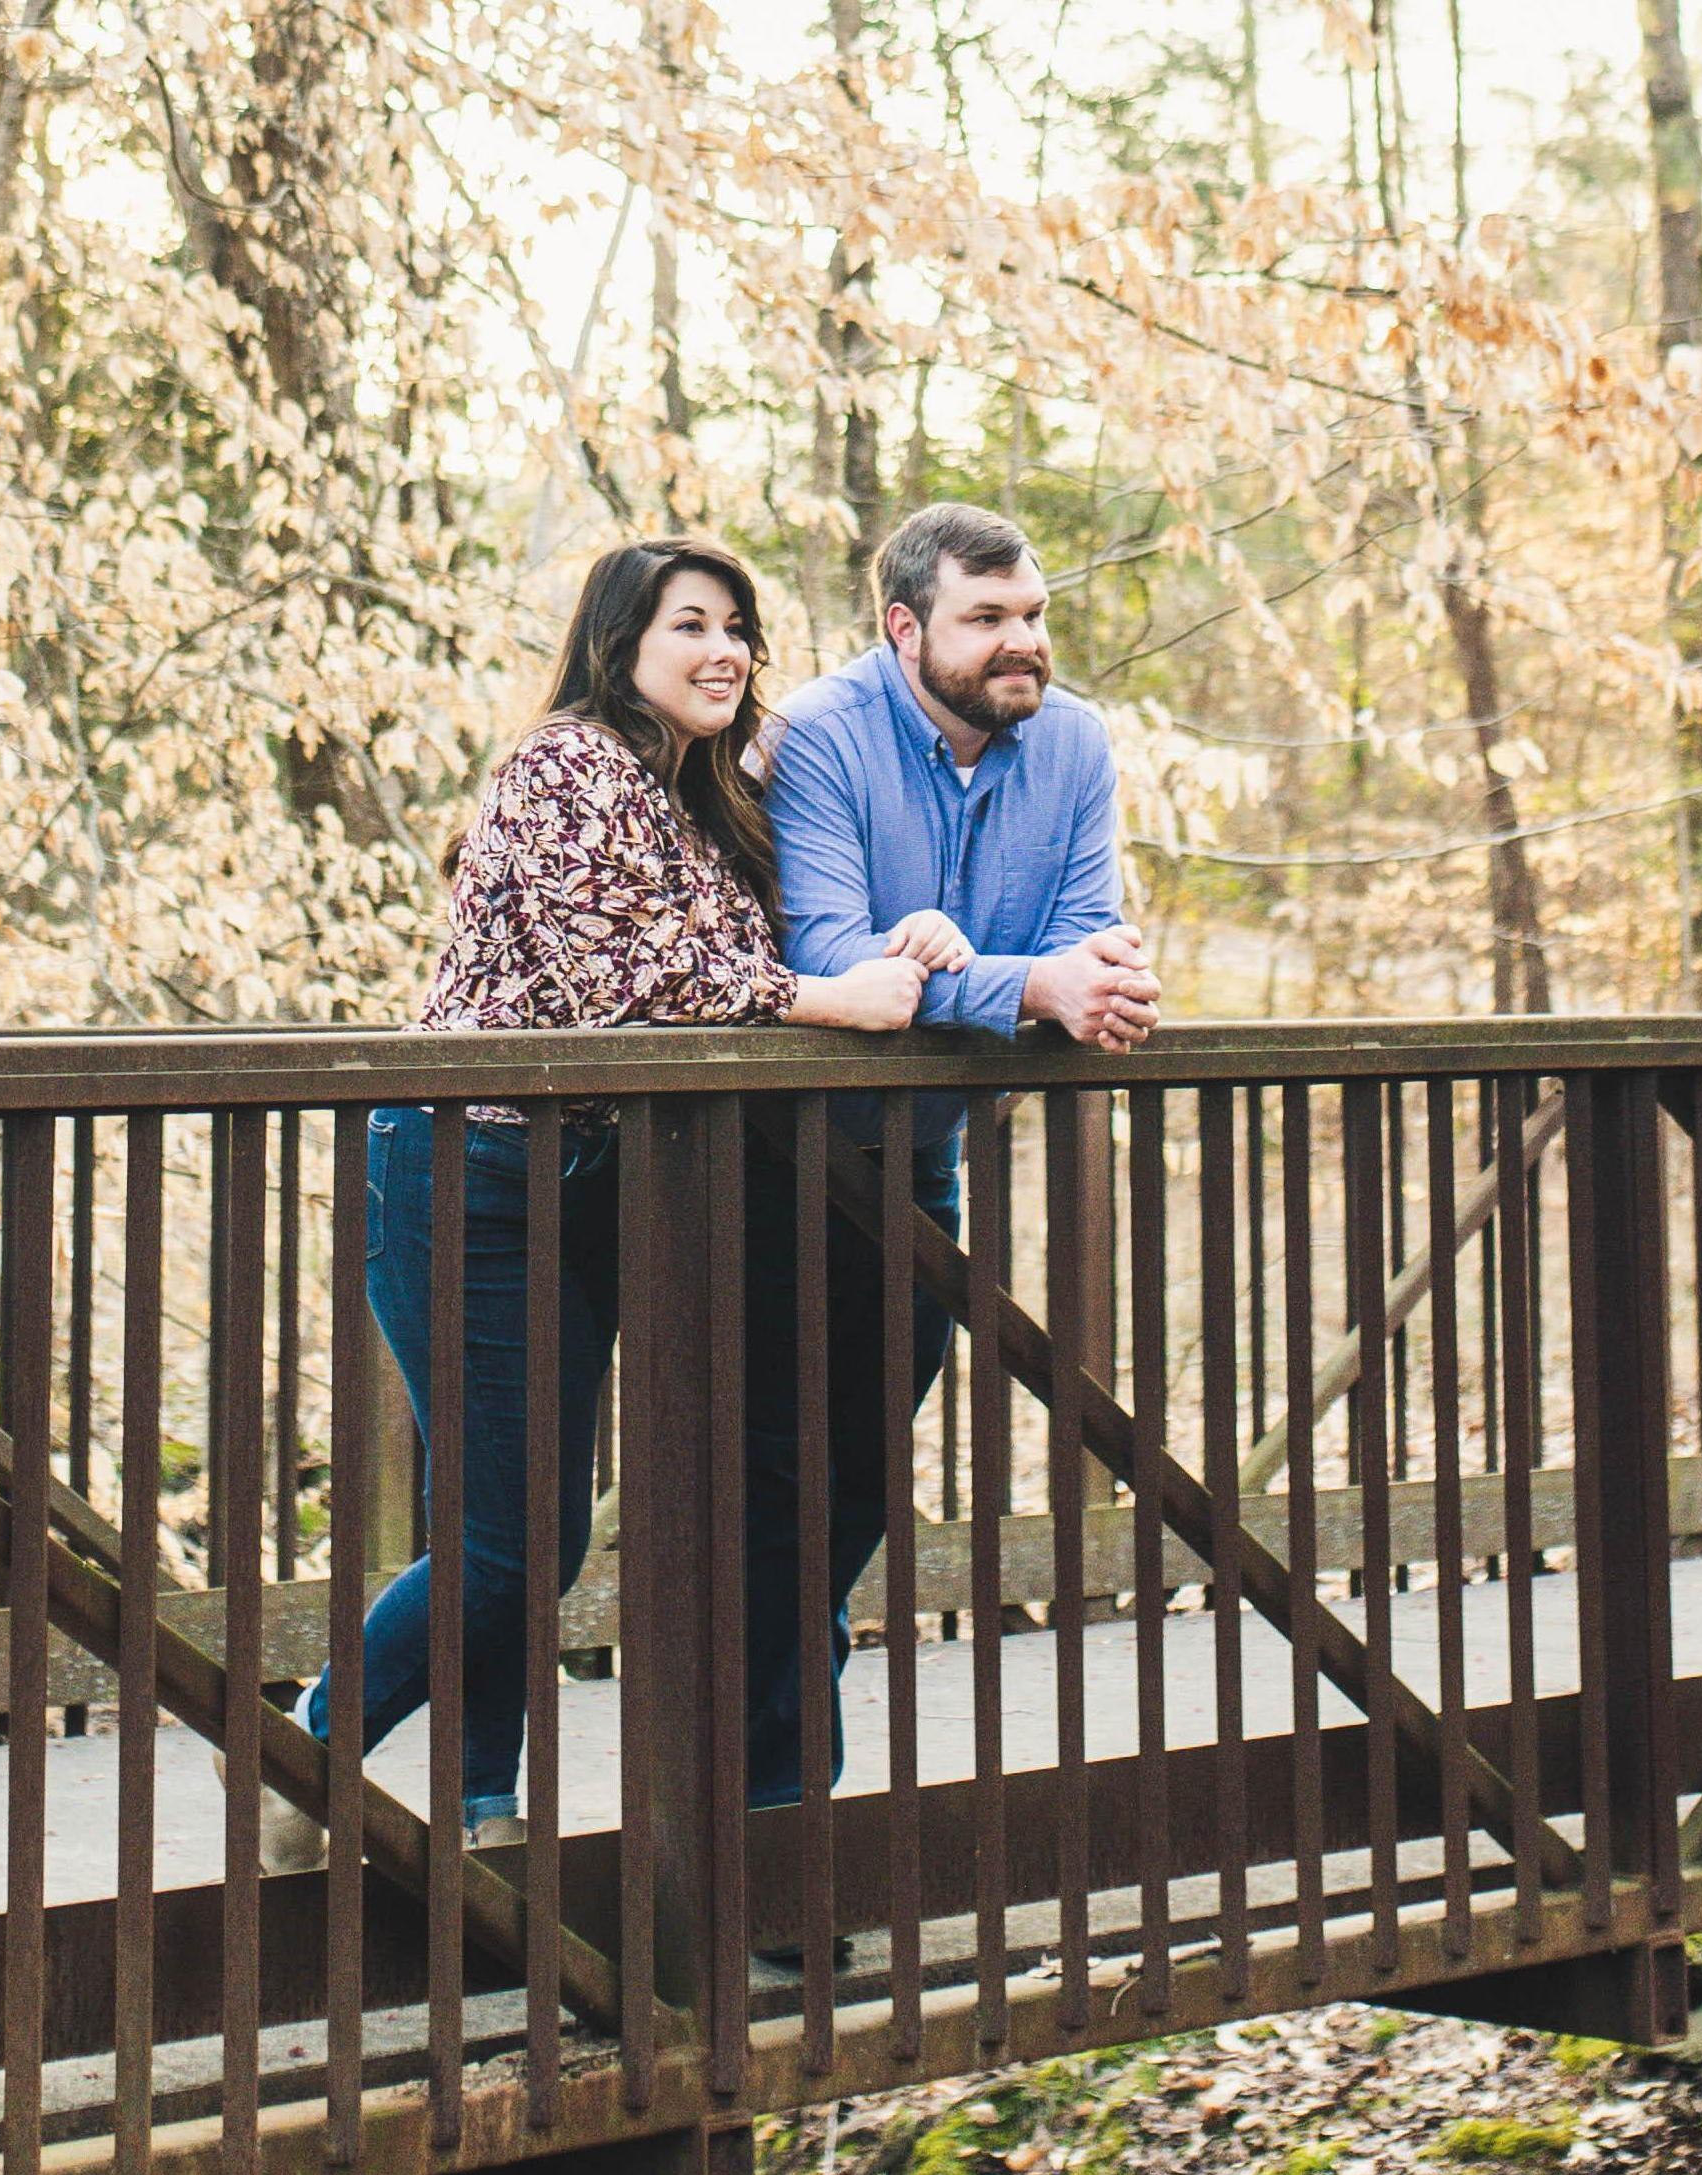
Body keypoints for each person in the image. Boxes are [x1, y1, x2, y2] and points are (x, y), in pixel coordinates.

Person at [256, 537, 930, 1872]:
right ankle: (307, 1748)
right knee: (521, 1539)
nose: (723, 649)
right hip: (472, 1172)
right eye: (690, 624)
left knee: (504, 1519)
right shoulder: (565, 762)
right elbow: (622, 978)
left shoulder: (700, 796)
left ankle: (477, 1800)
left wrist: (904, 946)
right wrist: (826, 998)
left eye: (738, 626)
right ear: (619, 642)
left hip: (602, 1183)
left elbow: (764, 942)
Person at [742, 501, 1163, 1810]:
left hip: (921, 1168)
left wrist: (1063, 978)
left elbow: (1089, 938)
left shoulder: (1076, 741)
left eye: (1032, 614)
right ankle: (777, 1812)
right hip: (767, 1163)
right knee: (768, 1492)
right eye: (988, 620)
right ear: (906, 626)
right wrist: (1029, 986)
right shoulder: (819, 733)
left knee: (853, 1484)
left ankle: (774, 1795)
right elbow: (829, 952)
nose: (1022, 642)